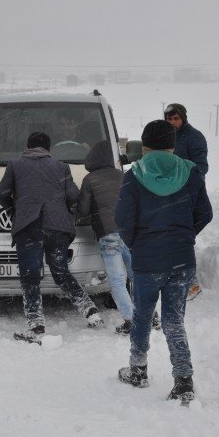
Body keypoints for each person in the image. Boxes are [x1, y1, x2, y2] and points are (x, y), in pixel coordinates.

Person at [115, 120, 212, 403]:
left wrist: (140, 244)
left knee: (143, 315)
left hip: (147, 260)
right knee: (174, 320)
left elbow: (122, 221)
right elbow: (204, 214)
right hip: (181, 260)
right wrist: (182, 236)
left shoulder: (134, 176)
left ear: (144, 146)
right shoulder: (191, 173)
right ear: (173, 144)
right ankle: (183, 380)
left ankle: (138, 370)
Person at [0, 131, 104, 343]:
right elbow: (73, 196)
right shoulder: (61, 167)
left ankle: (36, 326)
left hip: (29, 227)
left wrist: (14, 208)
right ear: (48, 149)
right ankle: (91, 311)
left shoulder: (16, 165)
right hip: (58, 227)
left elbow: (1, 193)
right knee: (61, 272)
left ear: (27, 147)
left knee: (31, 276)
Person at [77, 140, 160, 335]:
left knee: (116, 279)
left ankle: (130, 320)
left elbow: (82, 210)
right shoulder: (122, 175)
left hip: (108, 233)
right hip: (130, 232)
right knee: (136, 275)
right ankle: (152, 316)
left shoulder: (90, 179)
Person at [164, 103, 208, 300]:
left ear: (183, 118)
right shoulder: (165, 136)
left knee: (183, 237)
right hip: (169, 193)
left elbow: (201, 167)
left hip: (189, 194)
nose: (173, 122)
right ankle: (176, 274)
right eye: (169, 119)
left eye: (176, 118)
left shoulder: (194, 137)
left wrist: (187, 183)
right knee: (175, 236)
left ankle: (191, 283)